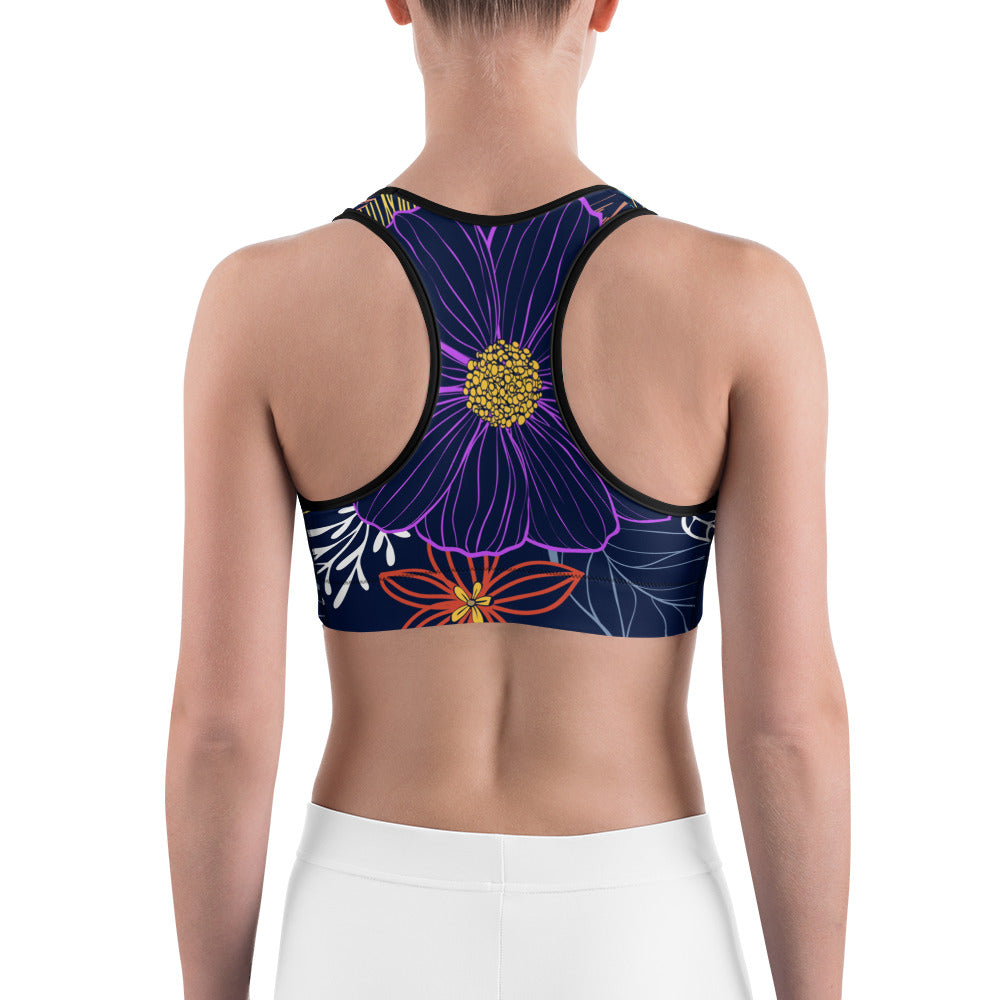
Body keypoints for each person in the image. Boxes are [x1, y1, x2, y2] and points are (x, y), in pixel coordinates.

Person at [165, 1, 850, 997]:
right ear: (604, 5)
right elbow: (789, 727)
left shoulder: (260, 302)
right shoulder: (743, 300)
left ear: (397, 1)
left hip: (369, 917)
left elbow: (219, 730)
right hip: (636, 918)